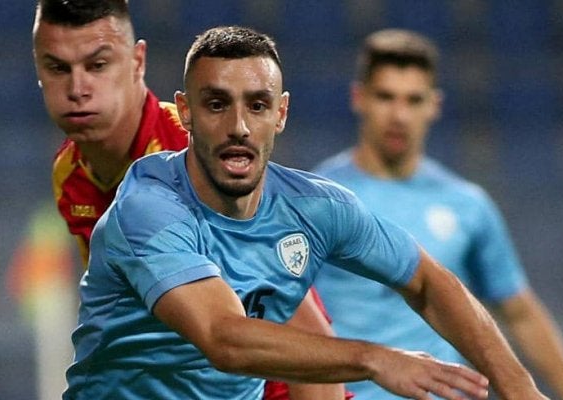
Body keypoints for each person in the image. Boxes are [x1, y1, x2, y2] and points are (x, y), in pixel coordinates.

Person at [62, 25, 548, 400]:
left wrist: (520, 388)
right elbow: (224, 340)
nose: (239, 126)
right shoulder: (147, 208)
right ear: (185, 112)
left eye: (257, 105)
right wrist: (375, 359)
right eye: (217, 104)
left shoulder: (316, 207)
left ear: (281, 113)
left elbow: (427, 281)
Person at [31, 1, 344, 398]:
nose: (77, 89)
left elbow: (306, 330)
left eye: (97, 65)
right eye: (58, 68)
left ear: (137, 61)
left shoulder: (199, 155)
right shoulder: (69, 172)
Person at [311, 29, 563, 399]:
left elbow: (521, 314)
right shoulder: (317, 199)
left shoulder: (467, 205)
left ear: (434, 105)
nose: (399, 115)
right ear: (359, 98)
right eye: (385, 97)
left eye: (414, 100)